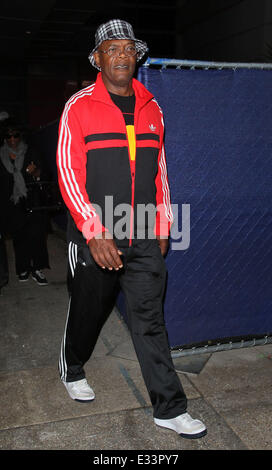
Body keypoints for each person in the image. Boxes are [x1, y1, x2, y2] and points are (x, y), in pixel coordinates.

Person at [57, 19, 207, 439]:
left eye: (128, 48)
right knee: (89, 313)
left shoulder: (152, 106)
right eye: (112, 48)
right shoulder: (79, 105)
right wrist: (94, 230)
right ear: (97, 59)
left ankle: (169, 407)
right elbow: (69, 171)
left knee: (149, 318)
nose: (122, 55)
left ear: (136, 56)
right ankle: (72, 368)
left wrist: (163, 222)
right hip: (95, 234)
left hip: (142, 232)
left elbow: (158, 170)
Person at [0, 125, 49, 285]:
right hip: (12, 203)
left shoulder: (31, 152)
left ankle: (37, 268)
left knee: (36, 235)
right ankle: (23, 268)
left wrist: (35, 172)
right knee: (19, 237)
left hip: (32, 200)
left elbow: (44, 174)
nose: (12, 139)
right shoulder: (1, 155)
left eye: (15, 136)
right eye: (9, 136)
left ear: (20, 136)